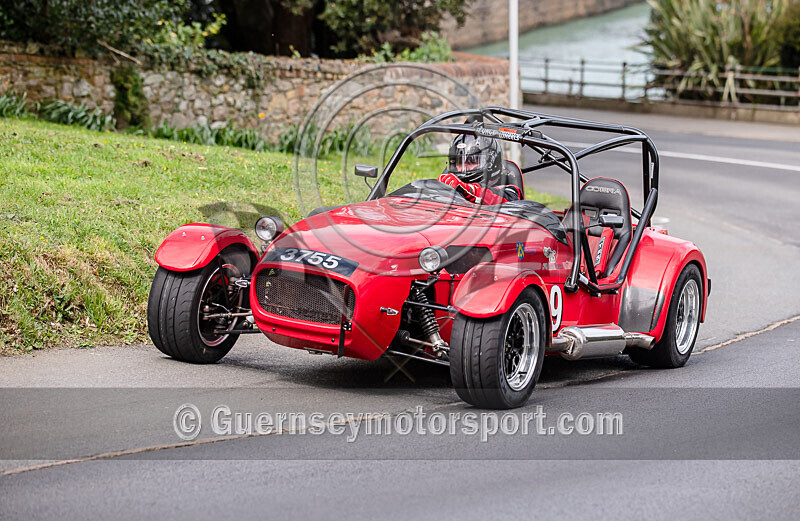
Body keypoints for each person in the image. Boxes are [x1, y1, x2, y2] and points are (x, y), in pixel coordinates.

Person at [437, 134, 522, 205]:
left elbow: (503, 199)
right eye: (459, 162)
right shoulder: (450, 184)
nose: (463, 168)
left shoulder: (511, 192)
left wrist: (468, 189)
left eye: (471, 162)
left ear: (490, 163)